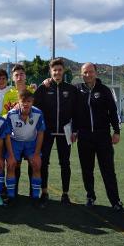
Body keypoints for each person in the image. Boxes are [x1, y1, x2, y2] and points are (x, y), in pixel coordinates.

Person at [74, 63, 124, 213]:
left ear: (96, 73)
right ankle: (90, 197)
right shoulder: (77, 90)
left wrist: (116, 131)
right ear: (81, 74)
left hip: (102, 136)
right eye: (85, 72)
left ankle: (115, 201)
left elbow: (113, 112)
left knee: (108, 169)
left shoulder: (104, 90)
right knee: (87, 169)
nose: (88, 75)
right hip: (84, 136)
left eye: (90, 72)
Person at [34, 58, 78, 206]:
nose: (57, 72)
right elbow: (35, 110)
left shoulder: (71, 89)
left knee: (65, 163)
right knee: (44, 162)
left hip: (65, 132)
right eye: (54, 70)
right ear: (50, 72)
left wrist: (75, 130)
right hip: (47, 132)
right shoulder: (43, 88)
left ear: (63, 70)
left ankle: (65, 194)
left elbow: (76, 112)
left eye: (59, 70)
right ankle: (44, 192)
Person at [4, 89, 45, 205]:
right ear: (19, 102)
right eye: (23, 101)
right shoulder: (11, 114)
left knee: (37, 165)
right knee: (11, 165)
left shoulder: (38, 113)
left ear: (32, 102)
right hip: (15, 141)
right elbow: (7, 135)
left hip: (31, 142)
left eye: (29, 101)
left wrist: (37, 154)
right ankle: (11, 197)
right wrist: (11, 155)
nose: (26, 104)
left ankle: (35, 198)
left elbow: (41, 133)